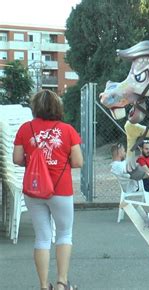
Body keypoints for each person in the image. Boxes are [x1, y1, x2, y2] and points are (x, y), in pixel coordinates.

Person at [13, 89, 83, 290]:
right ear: (57, 107)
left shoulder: (25, 129)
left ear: (35, 108)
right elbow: (78, 162)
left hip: (34, 190)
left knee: (42, 237)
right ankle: (62, 283)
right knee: (64, 234)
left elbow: (17, 159)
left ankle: (44, 286)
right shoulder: (67, 130)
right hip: (60, 190)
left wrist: (35, 159)